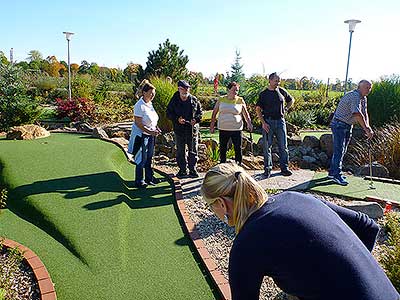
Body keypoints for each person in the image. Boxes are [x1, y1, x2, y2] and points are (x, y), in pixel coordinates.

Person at [200, 162, 399, 300]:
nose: (212, 211)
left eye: (211, 206)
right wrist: (351, 273)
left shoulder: (246, 244)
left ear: (222, 204)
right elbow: (368, 227)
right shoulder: (295, 197)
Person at [329, 80, 374, 185]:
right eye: (367, 87)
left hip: (348, 125)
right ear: (360, 87)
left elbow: (364, 113)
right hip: (339, 124)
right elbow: (357, 114)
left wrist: (368, 127)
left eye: (370, 88)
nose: (368, 90)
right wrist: (366, 129)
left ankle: (332, 172)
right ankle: (336, 175)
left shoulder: (364, 98)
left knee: (342, 150)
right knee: (339, 150)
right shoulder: (355, 96)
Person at [256, 72, 294, 178]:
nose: (278, 83)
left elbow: (291, 100)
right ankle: (267, 169)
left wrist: (286, 108)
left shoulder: (281, 91)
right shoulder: (264, 94)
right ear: (270, 80)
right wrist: (263, 123)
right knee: (267, 147)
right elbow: (258, 109)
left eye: (279, 81)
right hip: (268, 122)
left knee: (283, 146)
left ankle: (285, 168)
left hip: (280, 122)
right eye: (276, 81)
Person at [209, 81, 253, 165]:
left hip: (236, 128)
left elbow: (245, 114)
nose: (236, 92)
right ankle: (222, 165)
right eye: (234, 90)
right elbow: (214, 113)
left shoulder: (240, 100)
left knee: (237, 147)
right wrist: (212, 125)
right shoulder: (221, 99)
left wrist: (249, 123)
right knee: (223, 148)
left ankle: (238, 164)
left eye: (237, 90)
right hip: (223, 128)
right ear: (228, 90)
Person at [128, 80, 161, 188]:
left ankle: (149, 177)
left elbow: (152, 119)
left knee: (149, 157)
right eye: (151, 93)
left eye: (154, 93)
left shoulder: (149, 104)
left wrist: (156, 128)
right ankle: (139, 180)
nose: (153, 95)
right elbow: (138, 123)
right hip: (142, 135)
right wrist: (150, 131)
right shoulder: (139, 105)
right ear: (144, 92)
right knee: (141, 158)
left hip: (150, 134)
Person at [167, 80, 202, 178]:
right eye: (183, 89)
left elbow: (200, 113)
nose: (186, 91)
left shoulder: (194, 99)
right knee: (180, 151)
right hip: (179, 130)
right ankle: (182, 170)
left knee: (193, 150)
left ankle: (192, 169)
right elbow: (168, 113)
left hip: (192, 130)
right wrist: (177, 119)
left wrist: (196, 119)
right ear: (179, 89)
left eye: (187, 88)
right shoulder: (174, 100)